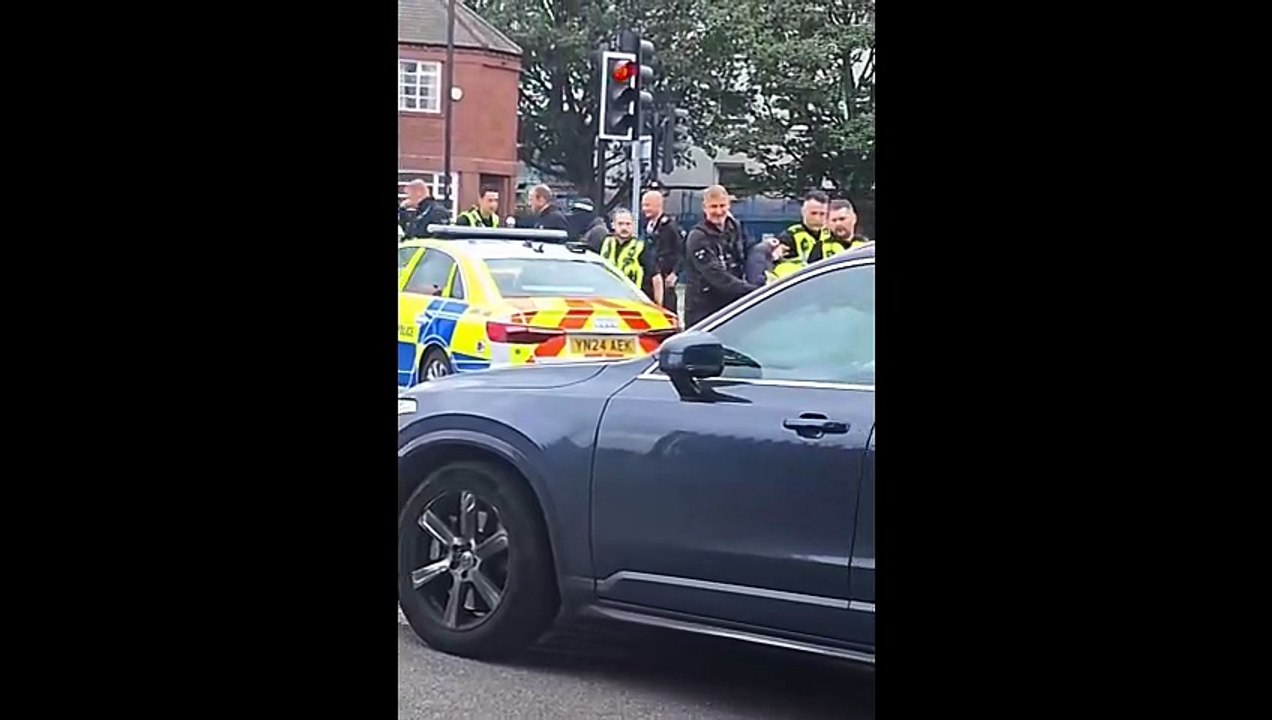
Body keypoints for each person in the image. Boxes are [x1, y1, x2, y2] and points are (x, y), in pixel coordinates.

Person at [683, 185, 761, 326]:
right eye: (713, 207)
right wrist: (752, 290)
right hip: (703, 310)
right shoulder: (698, 237)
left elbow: (751, 251)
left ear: (729, 205)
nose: (718, 212)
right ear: (705, 208)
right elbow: (717, 276)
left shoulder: (735, 228)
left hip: (729, 305)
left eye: (722, 206)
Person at [599, 209, 660, 304]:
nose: (624, 227)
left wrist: (658, 304)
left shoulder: (641, 247)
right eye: (620, 224)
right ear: (613, 225)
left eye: (628, 224)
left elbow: (656, 278)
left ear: (633, 226)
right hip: (609, 299)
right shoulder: (604, 243)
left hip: (635, 301)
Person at [640, 190, 684, 313]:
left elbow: (682, 251)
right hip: (649, 280)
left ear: (658, 205)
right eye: (643, 205)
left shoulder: (670, 227)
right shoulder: (647, 225)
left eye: (647, 205)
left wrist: (675, 273)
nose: (644, 209)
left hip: (665, 280)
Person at [775, 191, 832, 263]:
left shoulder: (833, 235)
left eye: (822, 214)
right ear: (803, 212)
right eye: (813, 213)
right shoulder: (790, 237)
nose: (817, 218)